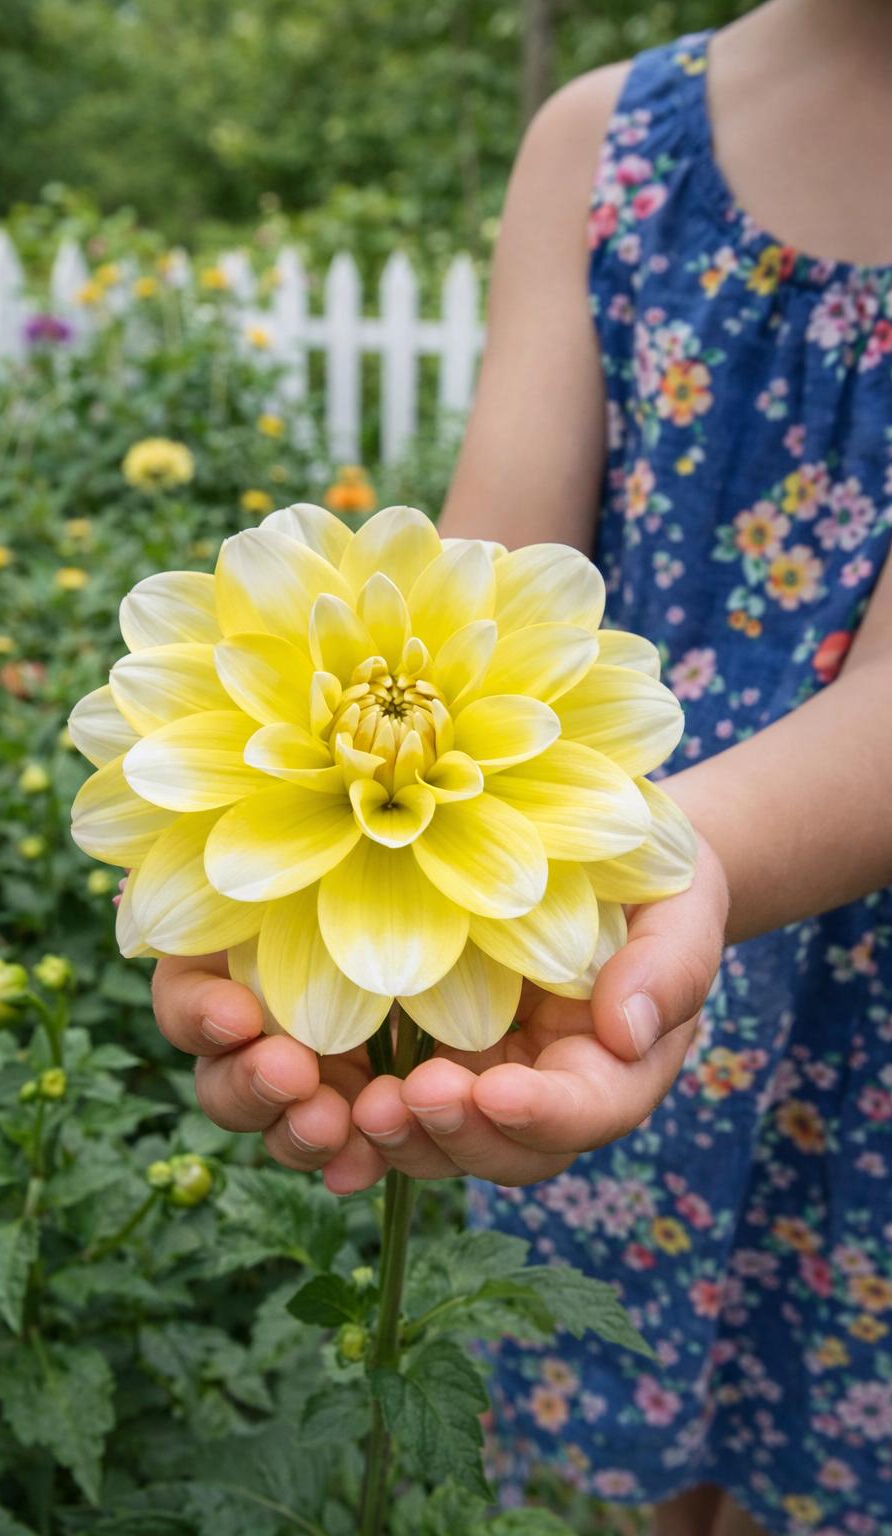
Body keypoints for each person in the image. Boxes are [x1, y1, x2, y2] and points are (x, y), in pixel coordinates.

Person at [150, 2, 892, 1530]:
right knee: (629, 1456)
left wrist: (665, 857)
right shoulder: (609, 142)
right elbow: (480, 597)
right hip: (590, 959)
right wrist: (362, 918)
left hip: (745, 940)